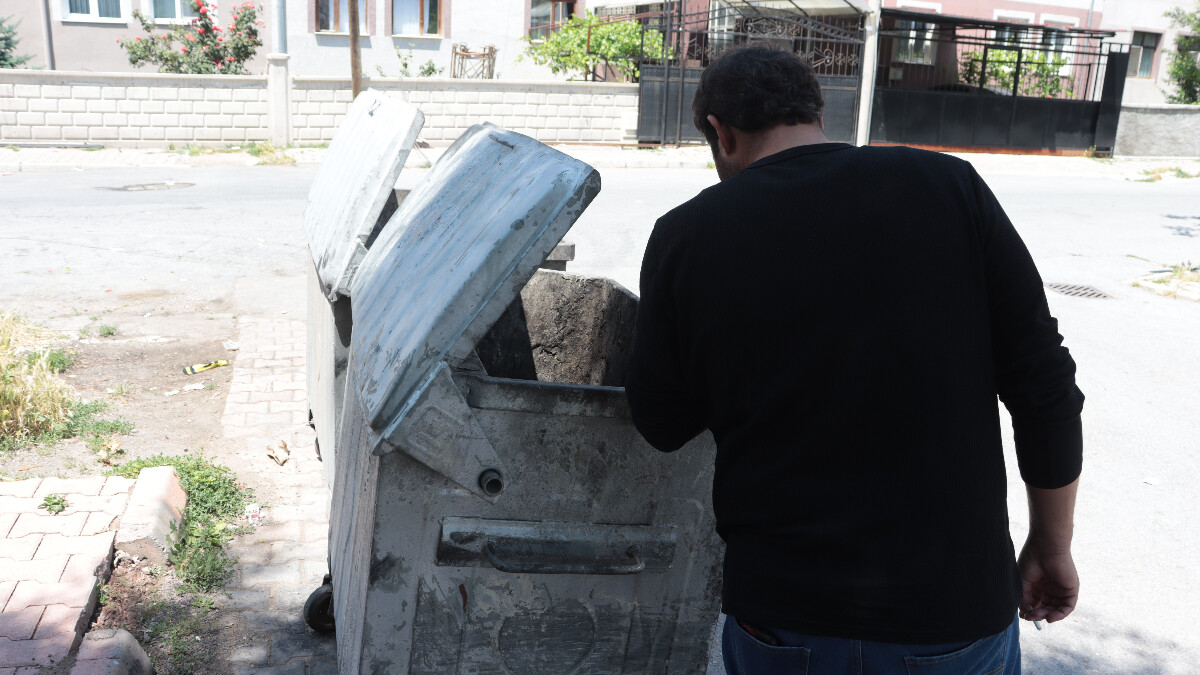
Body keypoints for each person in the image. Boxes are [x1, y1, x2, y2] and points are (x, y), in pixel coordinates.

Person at [624, 47, 1083, 674]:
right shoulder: (948, 187)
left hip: (783, 616)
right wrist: (1051, 545)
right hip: (953, 610)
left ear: (719, 132)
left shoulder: (684, 234)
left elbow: (662, 421)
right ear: (818, 113)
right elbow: (1045, 383)